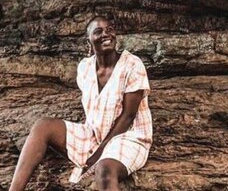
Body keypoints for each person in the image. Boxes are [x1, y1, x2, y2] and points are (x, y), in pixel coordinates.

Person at [8, 15, 152, 190]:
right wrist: (93, 145)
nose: (106, 35)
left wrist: (98, 154)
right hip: (94, 134)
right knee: (43, 126)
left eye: (110, 30)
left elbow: (128, 116)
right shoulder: (84, 68)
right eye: (98, 32)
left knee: (104, 170)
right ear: (89, 41)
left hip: (128, 137)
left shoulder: (132, 65)